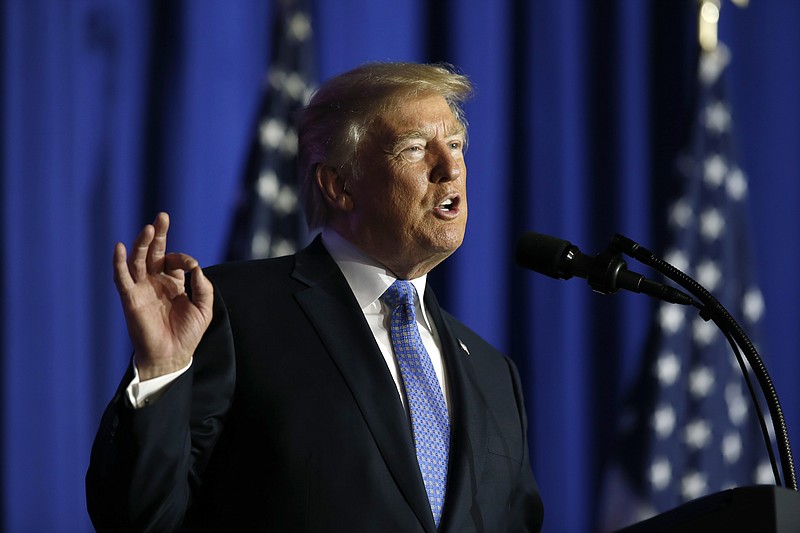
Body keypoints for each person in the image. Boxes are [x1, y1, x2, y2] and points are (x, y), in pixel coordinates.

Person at [86, 62, 544, 532]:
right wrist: (162, 373)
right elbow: (138, 519)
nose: (450, 169)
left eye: (455, 145)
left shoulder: (493, 372)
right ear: (339, 185)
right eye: (413, 149)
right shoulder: (230, 311)